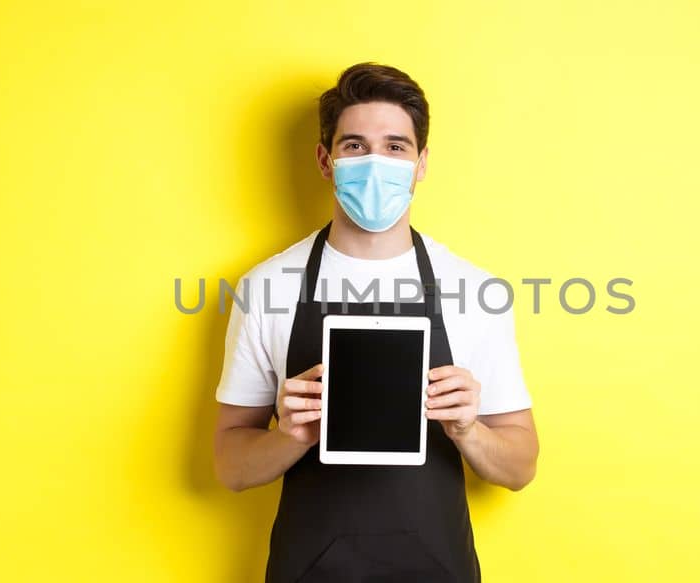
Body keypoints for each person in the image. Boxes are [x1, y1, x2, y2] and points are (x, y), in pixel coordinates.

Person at [212, 62, 539, 583]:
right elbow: (230, 466)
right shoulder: (267, 287)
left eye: (395, 147)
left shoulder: (477, 290)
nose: (375, 162)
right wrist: (292, 436)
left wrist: (468, 429)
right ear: (326, 159)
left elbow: (521, 468)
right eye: (355, 146)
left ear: (420, 162)